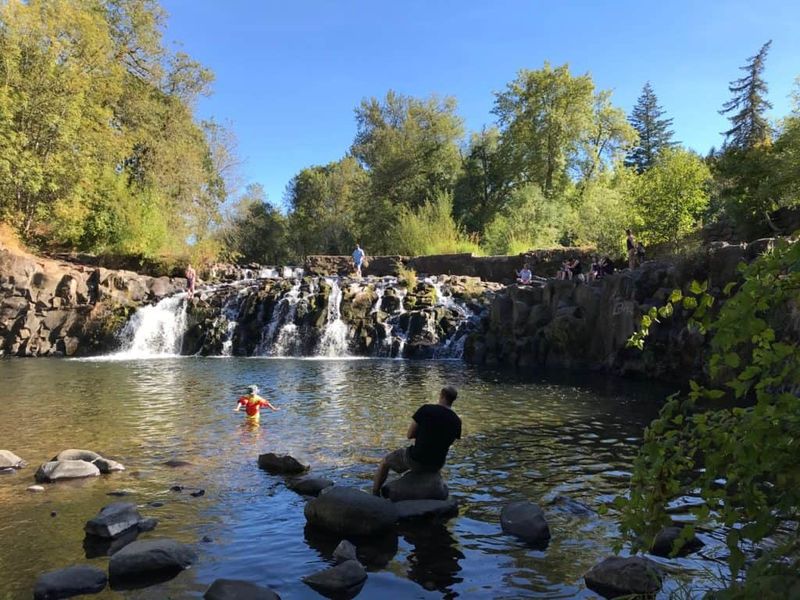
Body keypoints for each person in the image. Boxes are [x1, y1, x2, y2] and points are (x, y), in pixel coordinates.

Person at [372, 386, 462, 496]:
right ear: (453, 400)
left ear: (441, 395)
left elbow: (409, 435)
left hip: (416, 459)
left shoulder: (426, 409)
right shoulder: (457, 421)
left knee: (385, 462)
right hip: (437, 464)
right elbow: (448, 442)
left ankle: (375, 493)